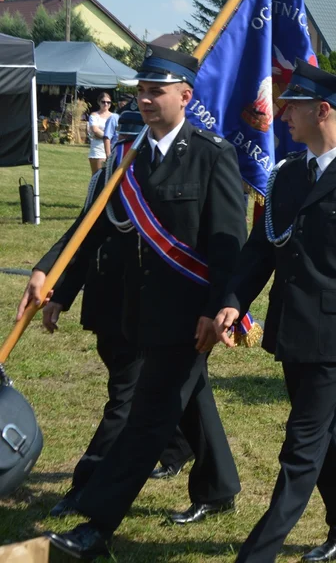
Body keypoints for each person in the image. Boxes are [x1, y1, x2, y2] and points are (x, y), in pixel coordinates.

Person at [22, 44, 245, 559]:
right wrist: (50, 273)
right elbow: (93, 228)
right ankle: (218, 488)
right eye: (140, 91)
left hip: (190, 318)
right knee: (192, 399)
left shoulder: (213, 155)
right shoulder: (128, 157)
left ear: (185, 95)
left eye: (155, 91)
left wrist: (219, 308)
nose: (144, 100)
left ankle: (96, 525)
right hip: (137, 312)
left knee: (149, 415)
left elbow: (229, 245)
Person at [209, 62, 336, 562]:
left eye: (292, 106)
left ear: (323, 111)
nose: (282, 115)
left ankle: (257, 553)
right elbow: (261, 250)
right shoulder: (288, 175)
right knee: (326, 433)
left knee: (300, 446)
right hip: (291, 331)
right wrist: (235, 300)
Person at [31, 107, 192, 519]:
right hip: (108, 308)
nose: (128, 150)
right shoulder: (107, 182)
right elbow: (83, 238)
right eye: (124, 141)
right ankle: (186, 452)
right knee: (184, 391)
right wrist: (61, 293)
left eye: (136, 141)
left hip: (155, 311)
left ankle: (86, 485)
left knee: (126, 397)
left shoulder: (167, 178)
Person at [86, 92, 113, 173]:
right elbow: (95, 130)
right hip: (98, 149)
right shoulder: (94, 115)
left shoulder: (114, 116)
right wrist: (108, 137)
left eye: (108, 102)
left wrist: (103, 136)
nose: (106, 104)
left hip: (112, 149)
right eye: (103, 102)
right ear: (99, 102)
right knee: (97, 176)